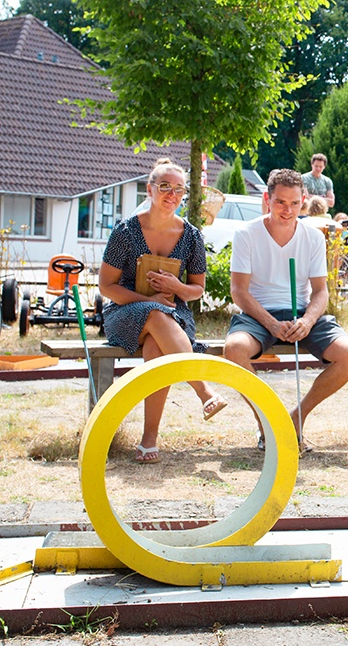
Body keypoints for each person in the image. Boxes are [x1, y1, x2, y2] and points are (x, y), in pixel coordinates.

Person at [223, 169, 348, 450]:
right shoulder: (246, 233)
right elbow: (239, 291)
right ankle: (267, 423)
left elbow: (320, 291)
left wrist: (308, 320)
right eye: (280, 202)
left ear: (303, 201)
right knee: (234, 349)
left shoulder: (312, 237)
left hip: (301, 313)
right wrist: (271, 324)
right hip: (258, 315)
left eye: (294, 203)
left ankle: (295, 420)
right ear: (267, 199)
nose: (287, 210)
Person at [98, 158, 227, 465]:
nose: (172, 194)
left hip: (174, 315)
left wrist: (175, 286)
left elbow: (196, 290)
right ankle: (205, 392)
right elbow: (106, 286)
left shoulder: (192, 235)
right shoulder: (125, 231)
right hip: (124, 313)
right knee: (155, 313)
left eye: (178, 189)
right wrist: (149, 300)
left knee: (157, 348)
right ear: (150, 189)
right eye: (165, 187)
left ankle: (148, 440)